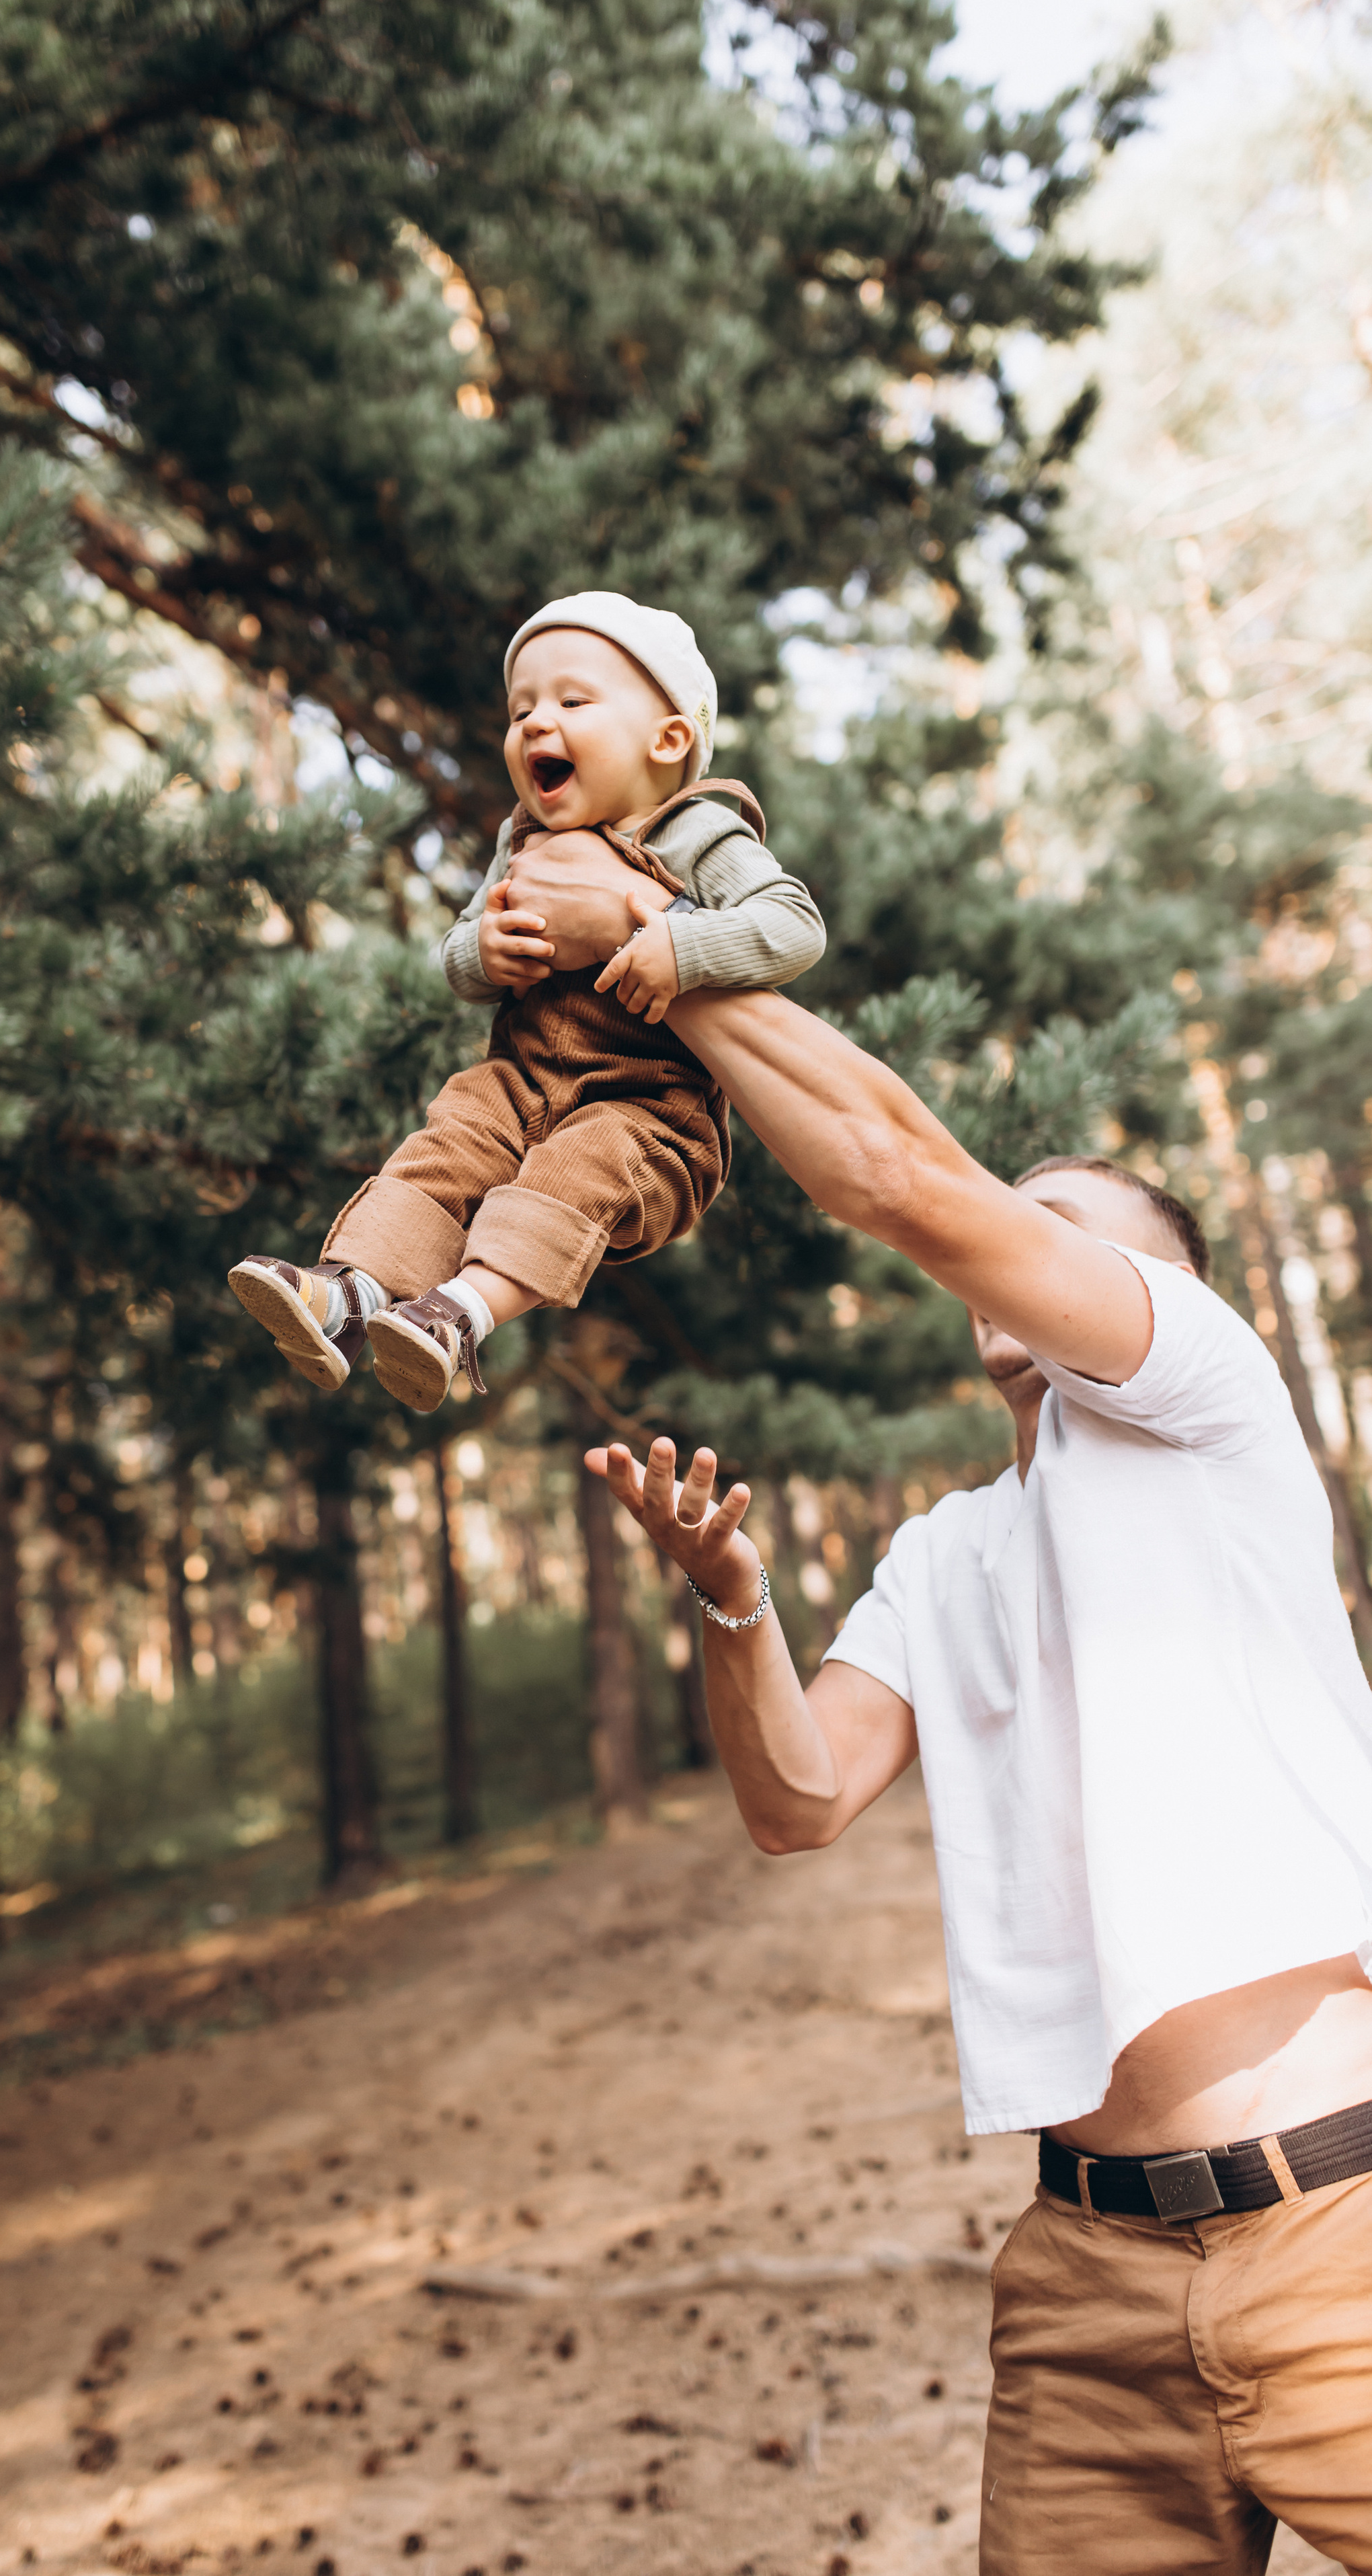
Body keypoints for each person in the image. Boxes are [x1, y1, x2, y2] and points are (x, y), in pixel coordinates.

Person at [501, 832, 1372, 2573]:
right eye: (1014, 1212)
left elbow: (906, 1175)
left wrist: (658, 945)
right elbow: (798, 1796)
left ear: (1159, 1287)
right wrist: (734, 1605)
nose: (1011, 1230)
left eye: (1061, 1222)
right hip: (1084, 2279)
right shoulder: (946, 1553)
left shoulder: (1208, 1399)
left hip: (1341, 2225)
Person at [228, 591, 823, 1412]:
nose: (536, 724)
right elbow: (458, 953)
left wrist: (682, 947)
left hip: (649, 1110)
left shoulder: (699, 835)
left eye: (573, 701)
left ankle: (461, 1315)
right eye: (520, 711)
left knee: (579, 1166)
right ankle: (348, 1296)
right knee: (451, 1140)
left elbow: (794, 926)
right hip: (520, 1081)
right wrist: (488, 952)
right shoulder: (522, 845)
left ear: (669, 738)